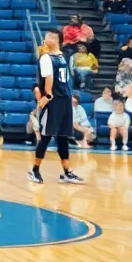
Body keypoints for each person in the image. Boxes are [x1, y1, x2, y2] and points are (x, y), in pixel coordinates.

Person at [28, 29, 84, 185]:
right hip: (54, 100)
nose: (45, 39)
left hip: (64, 99)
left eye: (49, 37)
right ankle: (35, 170)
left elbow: (60, 79)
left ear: (57, 40)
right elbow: (49, 78)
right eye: (45, 36)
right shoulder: (46, 57)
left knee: (62, 137)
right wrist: (47, 95)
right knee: (46, 136)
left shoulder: (61, 56)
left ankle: (67, 172)